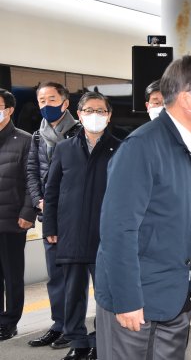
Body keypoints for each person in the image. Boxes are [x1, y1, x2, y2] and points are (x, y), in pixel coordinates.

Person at [95, 55, 191, 359]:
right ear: (185, 97)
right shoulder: (141, 147)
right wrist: (126, 298)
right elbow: (118, 229)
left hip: (174, 299)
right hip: (136, 298)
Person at [43, 92, 120, 360]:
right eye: (89, 110)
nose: (95, 115)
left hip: (105, 236)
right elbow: (51, 191)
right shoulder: (64, 149)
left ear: (109, 116)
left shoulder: (121, 149)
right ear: (79, 114)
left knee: (105, 295)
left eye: (101, 110)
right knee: (72, 294)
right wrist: (50, 227)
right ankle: (78, 341)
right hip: (72, 233)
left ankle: (100, 342)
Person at [26, 82, 81, 349]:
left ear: (65, 102)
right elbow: (32, 170)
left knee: (76, 276)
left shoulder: (80, 132)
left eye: (52, 99)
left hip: (75, 215)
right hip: (49, 215)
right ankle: (58, 324)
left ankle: (75, 328)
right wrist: (39, 199)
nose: (46, 104)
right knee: (55, 276)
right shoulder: (38, 136)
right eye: (41, 100)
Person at [0, 88, 35, 341]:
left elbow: (30, 181)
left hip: (12, 220)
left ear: (9, 109)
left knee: (12, 275)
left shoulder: (24, 140)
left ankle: (10, 321)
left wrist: (27, 212)